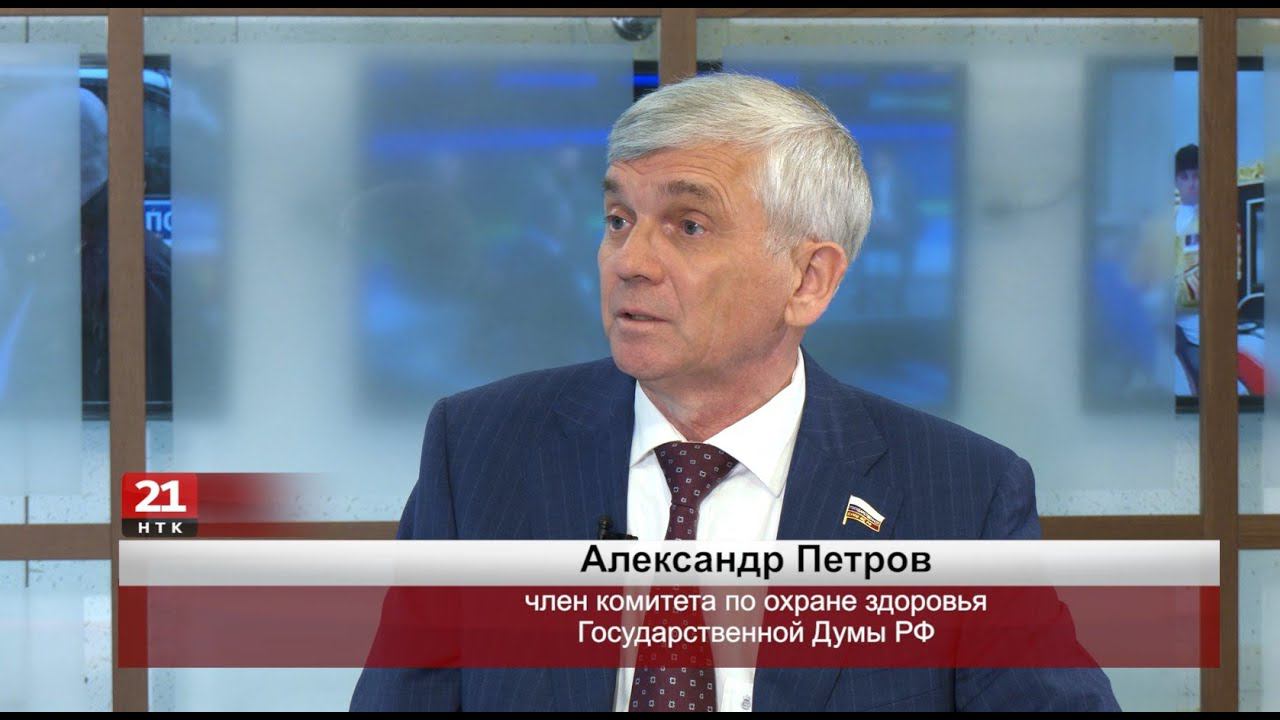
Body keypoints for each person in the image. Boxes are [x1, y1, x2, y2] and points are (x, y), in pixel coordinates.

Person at [349, 73, 1120, 712]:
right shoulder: (478, 452)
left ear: (808, 279)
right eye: (618, 219)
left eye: (688, 225)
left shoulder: (960, 500)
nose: (630, 261)